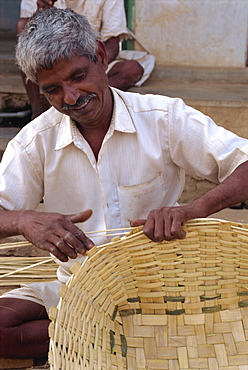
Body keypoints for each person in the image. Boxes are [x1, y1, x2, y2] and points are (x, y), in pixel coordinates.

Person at [0, 8, 248, 363]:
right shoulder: (35, 141)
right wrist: (22, 220)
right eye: (53, 90)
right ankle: (116, 339)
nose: (70, 98)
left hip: (162, 288)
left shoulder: (163, 118)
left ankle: (97, 340)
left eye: (78, 77)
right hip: (78, 289)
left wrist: (192, 210)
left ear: (101, 56)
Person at [16, 0, 155, 119]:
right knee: (23, 27)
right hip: (50, 66)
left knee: (131, 70)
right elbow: (28, 36)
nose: (70, 96)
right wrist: (41, 15)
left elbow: (112, 43)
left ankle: (65, 110)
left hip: (88, 61)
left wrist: (90, 67)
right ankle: (37, 112)